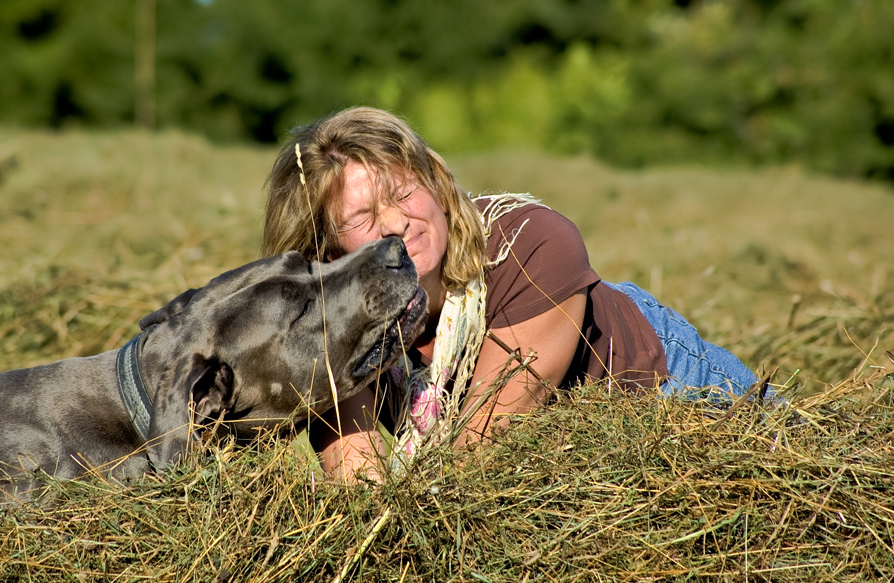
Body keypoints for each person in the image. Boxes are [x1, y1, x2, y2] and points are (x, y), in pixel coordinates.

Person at [261, 106, 764, 482]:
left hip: (675, 399)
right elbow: (360, 487)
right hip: (559, 475)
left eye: (403, 193)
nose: (397, 223)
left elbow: (473, 454)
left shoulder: (531, 246)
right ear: (327, 253)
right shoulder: (327, 332)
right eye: (364, 218)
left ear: (435, 184)